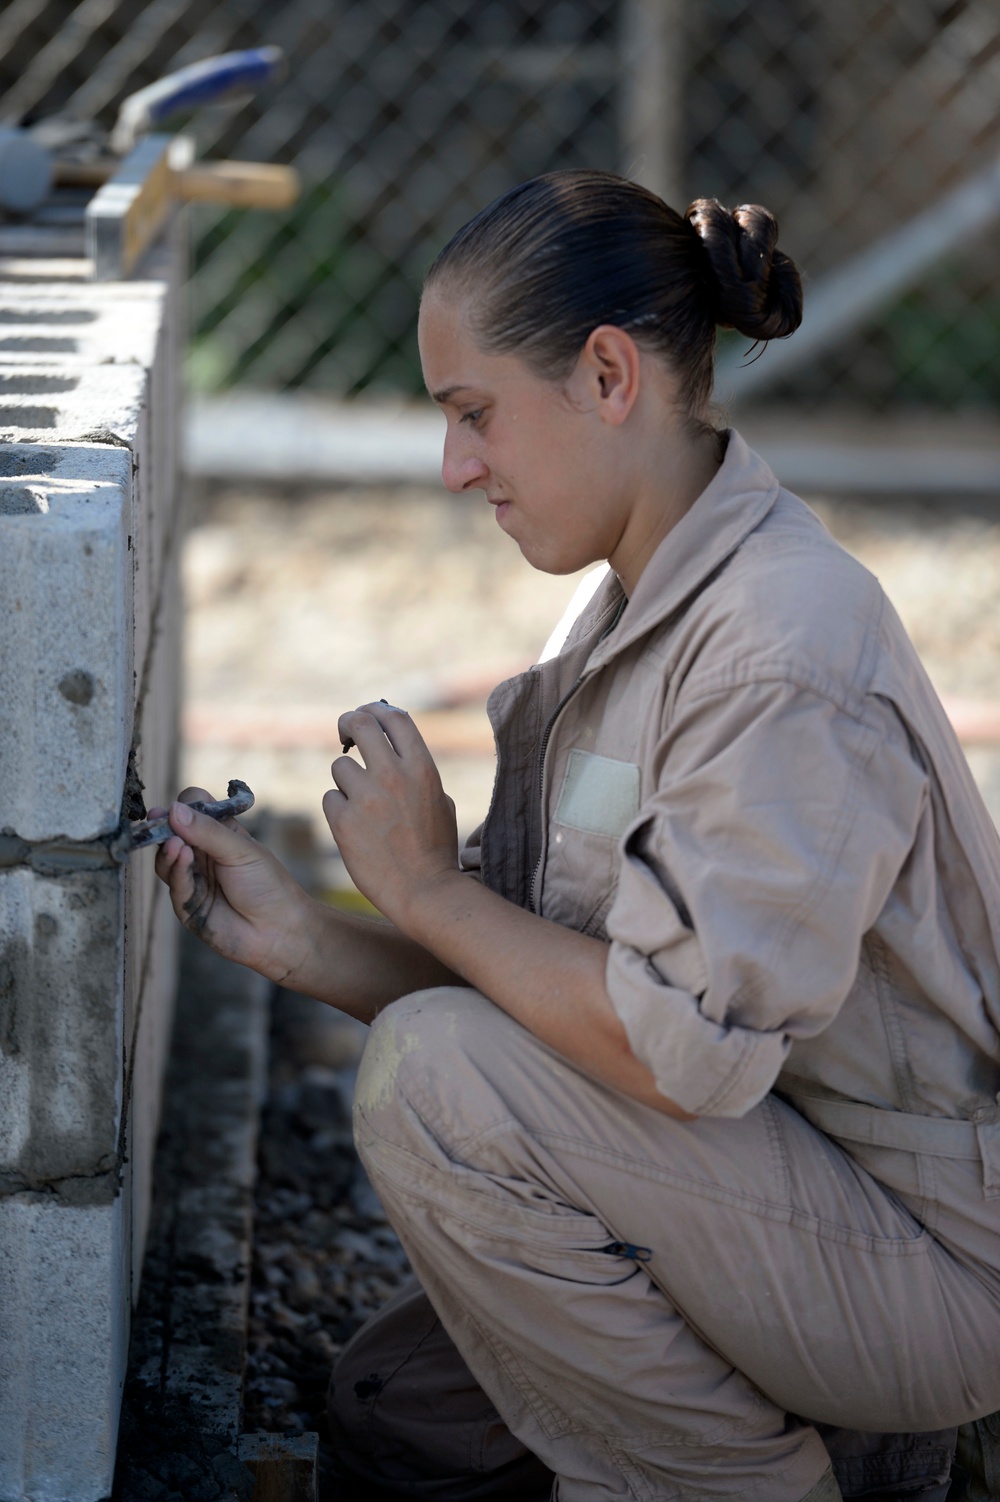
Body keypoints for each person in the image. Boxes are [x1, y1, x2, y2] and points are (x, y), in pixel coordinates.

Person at [153, 172, 1000, 1502]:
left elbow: (678, 1056)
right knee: (403, 1424)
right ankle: (839, 1447)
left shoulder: (782, 645)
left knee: (431, 1082)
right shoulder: (618, 613)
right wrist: (308, 936)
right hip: (784, 1196)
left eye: (474, 413)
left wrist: (427, 887)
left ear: (609, 375)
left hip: (932, 1263)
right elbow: (541, 989)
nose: (455, 467)